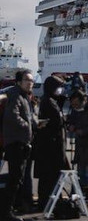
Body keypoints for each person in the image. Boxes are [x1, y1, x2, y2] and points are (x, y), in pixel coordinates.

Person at [1, 70, 36, 221]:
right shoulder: (16, 95)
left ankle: (6, 211)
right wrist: (27, 125)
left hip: (20, 141)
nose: (30, 83)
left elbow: (27, 116)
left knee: (16, 178)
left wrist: (36, 123)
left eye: (32, 81)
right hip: (16, 142)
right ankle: (6, 212)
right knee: (15, 179)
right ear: (19, 82)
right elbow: (12, 116)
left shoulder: (25, 96)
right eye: (27, 80)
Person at [34, 75, 69, 210]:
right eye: (59, 87)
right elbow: (56, 121)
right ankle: (48, 202)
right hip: (51, 146)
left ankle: (48, 201)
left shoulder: (49, 100)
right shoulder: (48, 102)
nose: (60, 90)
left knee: (49, 176)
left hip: (51, 144)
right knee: (50, 176)